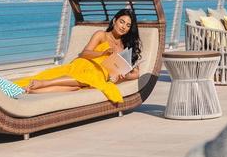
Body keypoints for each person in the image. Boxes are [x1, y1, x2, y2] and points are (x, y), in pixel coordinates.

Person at [13, 8, 142, 103]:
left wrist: (123, 77)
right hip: (86, 65)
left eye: (128, 25)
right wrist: (102, 53)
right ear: (114, 21)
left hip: (100, 75)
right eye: (122, 22)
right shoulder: (101, 35)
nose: (124, 27)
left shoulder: (124, 47)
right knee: (88, 76)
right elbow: (84, 53)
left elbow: (136, 73)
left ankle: (33, 90)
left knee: (74, 88)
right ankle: (43, 83)